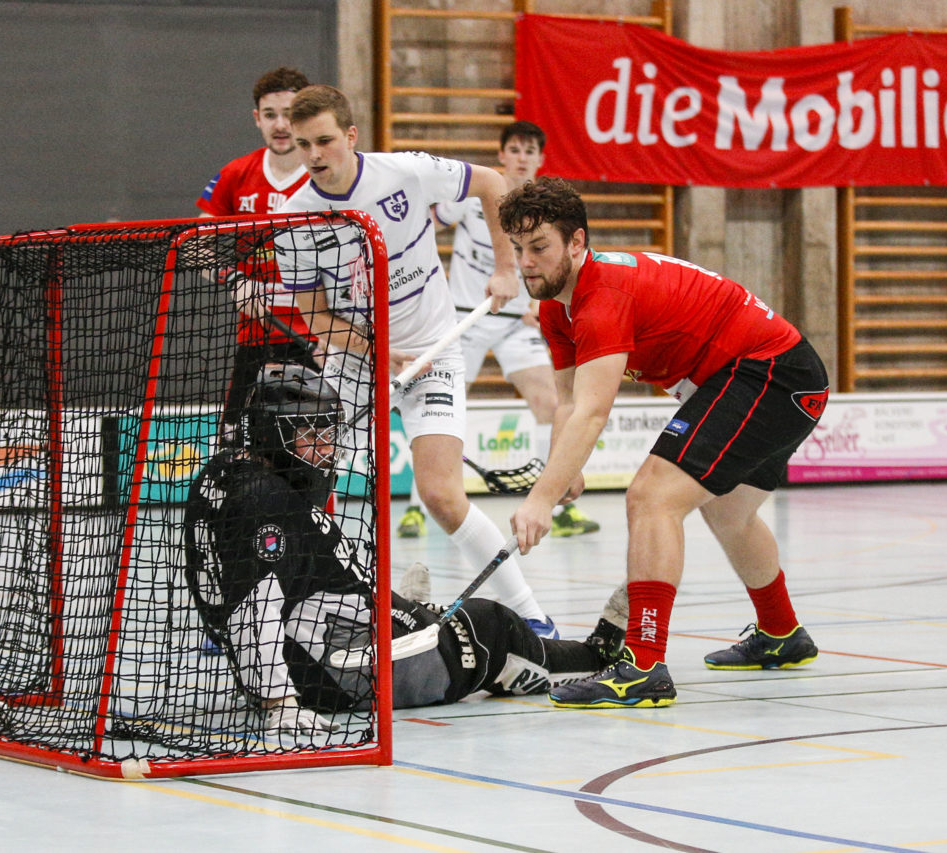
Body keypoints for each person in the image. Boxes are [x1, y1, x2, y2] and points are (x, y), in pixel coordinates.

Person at [498, 177, 829, 710]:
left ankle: (644, 666)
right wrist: (566, 467)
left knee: (652, 497)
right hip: (765, 377)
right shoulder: (556, 307)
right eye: (518, 249)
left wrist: (540, 497)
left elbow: (594, 410)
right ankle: (782, 633)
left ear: (576, 243)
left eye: (540, 248)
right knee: (729, 514)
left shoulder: (602, 296)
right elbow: (567, 402)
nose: (526, 262)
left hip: (772, 374)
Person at [182, 364, 626, 732]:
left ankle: (402, 611)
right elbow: (251, 607)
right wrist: (280, 702)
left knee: (422, 612)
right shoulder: (263, 502)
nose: (327, 447)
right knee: (490, 626)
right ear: (269, 433)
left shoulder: (228, 475)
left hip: (324, 641)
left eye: (328, 431)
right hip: (337, 670)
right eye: (310, 433)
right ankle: (594, 656)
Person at [273, 84, 561, 638]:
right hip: (356, 363)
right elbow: (314, 317)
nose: (313, 156)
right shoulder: (297, 217)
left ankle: (530, 613)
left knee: (440, 495)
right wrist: (376, 352)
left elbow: (493, 183)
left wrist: (506, 266)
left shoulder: (405, 172)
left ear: (350, 137)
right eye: (304, 144)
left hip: (436, 351)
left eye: (325, 141)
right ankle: (299, 612)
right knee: (313, 488)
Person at [396, 121, 600, 541]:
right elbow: (426, 225)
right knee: (433, 406)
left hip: (515, 323)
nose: (522, 156)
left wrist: (542, 306)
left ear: (540, 159)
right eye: (515, 149)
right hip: (466, 320)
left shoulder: (549, 210)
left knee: (550, 402)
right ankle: (418, 509)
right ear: (502, 155)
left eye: (530, 150)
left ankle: (558, 507)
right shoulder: (475, 198)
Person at [195, 67, 319, 429]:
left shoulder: (326, 173)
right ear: (257, 119)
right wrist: (233, 279)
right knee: (234, 438)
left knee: (316, 444)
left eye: (290, 114)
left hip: (320, 335)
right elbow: (194, 246)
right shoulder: (236, 173)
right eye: (270, 115)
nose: (281, 125)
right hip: (258, 336)